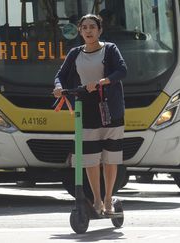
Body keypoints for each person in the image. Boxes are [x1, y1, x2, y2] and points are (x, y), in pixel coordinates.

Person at [53, 14, 127, 215]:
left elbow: (121, 71)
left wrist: (102, 82)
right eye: (84, 27)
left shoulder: (110, 49)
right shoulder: (75, 53)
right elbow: (60, 75)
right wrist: (59, 87)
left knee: (110, 158)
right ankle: (96, 201)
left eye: (92, 27)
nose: (88, 30)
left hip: (110, 109)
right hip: (86, 108)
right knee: (90, 158)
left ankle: (108, 199)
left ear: (99, 30)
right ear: (79, 31)